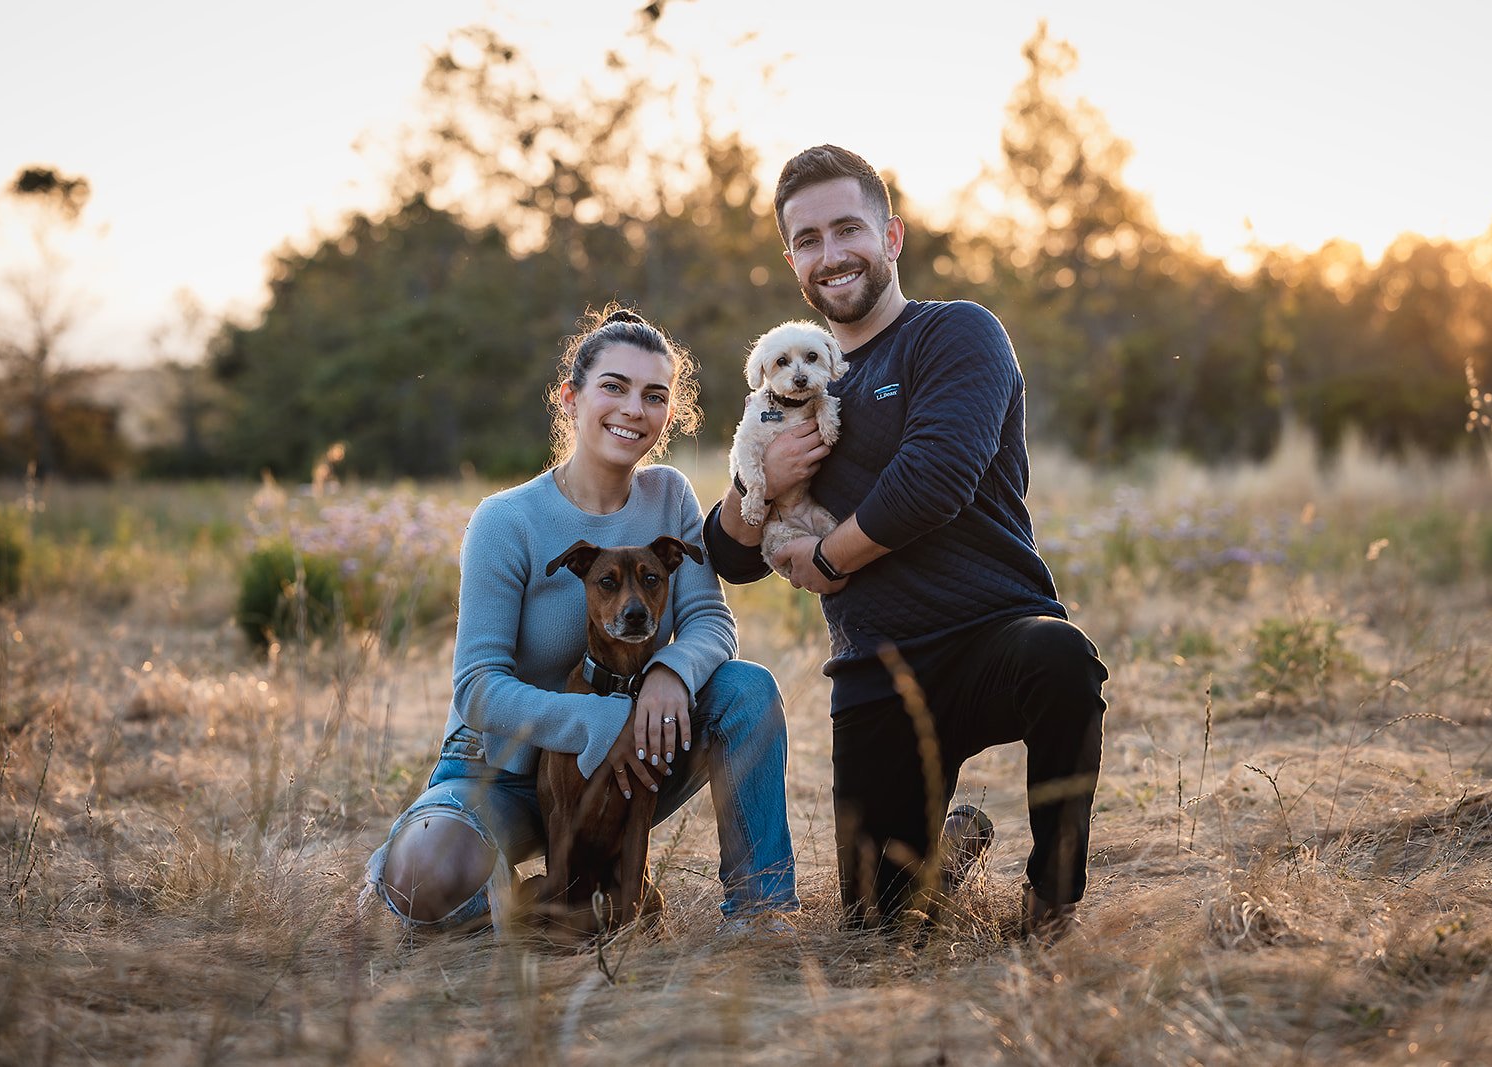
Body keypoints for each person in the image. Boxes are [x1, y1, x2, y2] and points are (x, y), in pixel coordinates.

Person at [704, 145, 1109, 942]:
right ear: (792, 260)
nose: (832, 254)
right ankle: (948, 850)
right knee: (878, 929)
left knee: (1063, 659)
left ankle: (1052, 895)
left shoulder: (956, 333)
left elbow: (935, 479)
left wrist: (826, 560)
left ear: (890, 237)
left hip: (993, 632)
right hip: (875, 668)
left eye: (847, 228)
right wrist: (762, 484)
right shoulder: (790, 384)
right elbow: (732, 557)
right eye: (809, 240)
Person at [365, 305, 799, 936]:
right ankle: (435, 862)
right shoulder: (506, 520)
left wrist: (671, 675)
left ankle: (760, 916)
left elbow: (710, 620)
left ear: (669, 415)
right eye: (614, 387)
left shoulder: (669, 496)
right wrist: (603, 718)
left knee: (747, 689)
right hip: (504, 772)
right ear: (571, 397)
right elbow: (477, 686)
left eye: (654, 396)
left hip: (628, 767)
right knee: (426, 879)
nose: (633, 409)